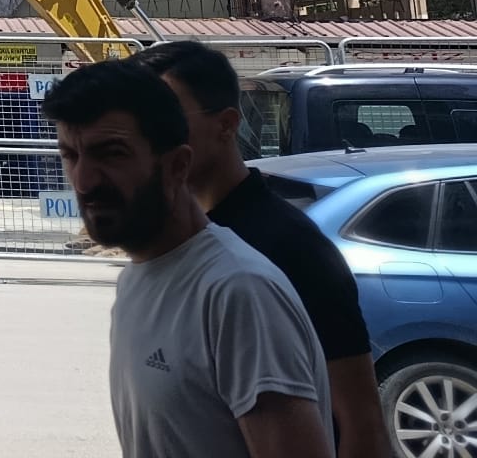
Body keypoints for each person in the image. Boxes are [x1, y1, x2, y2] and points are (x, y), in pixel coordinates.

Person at [41, 57, 334, 458]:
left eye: (111, 154)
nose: (84, 180)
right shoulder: (135, 281)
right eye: (71, 156)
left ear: (177, 165)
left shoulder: (237, 293)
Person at [134, 41, 390, 458]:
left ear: (226, 124)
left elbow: (362, 425)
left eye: (165, 119)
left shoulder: (285, 248)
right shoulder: (176, 243)